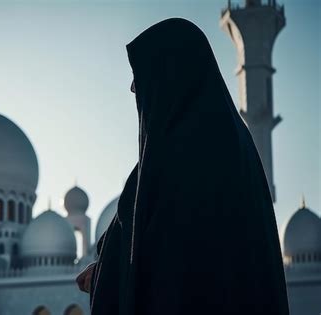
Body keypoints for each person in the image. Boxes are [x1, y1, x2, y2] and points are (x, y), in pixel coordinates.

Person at [75, 17, 290, 315]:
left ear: (170, 75)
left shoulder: (178, 162)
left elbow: (177, 275)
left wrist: (102, 277)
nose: (133, 89)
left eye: (143, 78)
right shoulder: (232, 148)